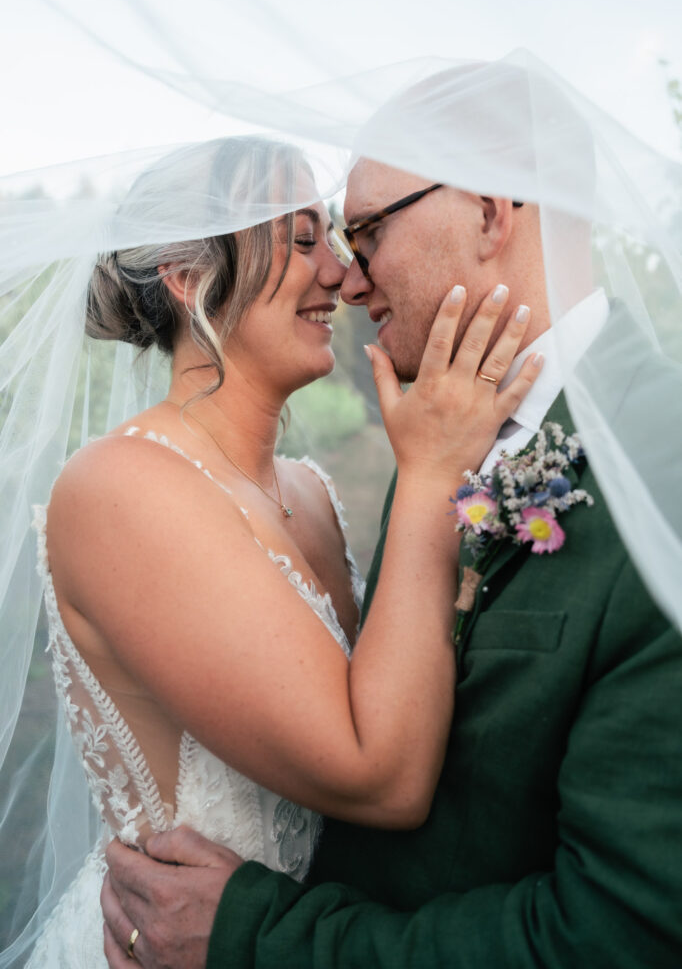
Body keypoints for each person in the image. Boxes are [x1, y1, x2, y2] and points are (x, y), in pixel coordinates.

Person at [100, 69, 682, 969]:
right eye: (325, 238)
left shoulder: (662, 474)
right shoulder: (445, 444)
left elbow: (621, 935)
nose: (350, 275)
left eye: (366, 230)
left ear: (490, 212)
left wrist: (261, 938)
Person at [13, 133, 541, 968]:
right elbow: (381, 774)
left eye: (334, 236)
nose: (341, 271)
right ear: (190, 283)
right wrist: (437, 469)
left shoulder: (312, 494)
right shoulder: (120, 489)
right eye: (301, 240)